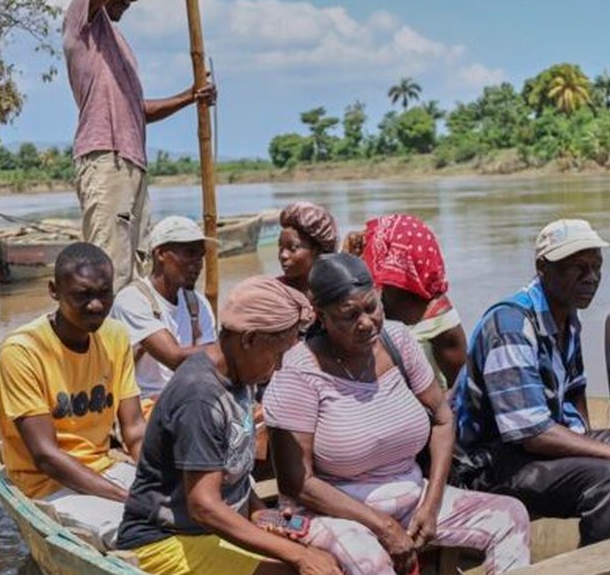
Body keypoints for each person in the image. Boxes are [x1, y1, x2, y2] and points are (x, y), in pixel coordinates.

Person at [264, 254, 530, 575]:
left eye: (371, 307)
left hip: (410, 496)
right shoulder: (299, 371)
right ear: (322, 315)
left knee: (510, 516)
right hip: (330, 513)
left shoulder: (397, 340)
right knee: (370, 562)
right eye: (349, 316)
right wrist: (383, 526)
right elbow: (298, 483)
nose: (366, 323)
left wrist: (431, 504)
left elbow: (443, 419)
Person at [452, 219, 610, 547]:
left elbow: (575, 390)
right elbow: (532, 434)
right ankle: (608, 565)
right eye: (578, 268)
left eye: (597, 267)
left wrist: (591, 443)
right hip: (491, 464)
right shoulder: (511, 325)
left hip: (541, 446)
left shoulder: (567, 316)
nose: (591, 278)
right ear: (543, 268)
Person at [116, 276, 342, 575]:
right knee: (295, 570)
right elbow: (204, 506)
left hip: (210, 529)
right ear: (248, 340)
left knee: (331, 551)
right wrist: (298, 555)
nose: (279, 366)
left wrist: (265, 516)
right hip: (164, 541)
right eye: (278, 355)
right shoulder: (200, 397)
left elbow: (234, 478)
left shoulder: (240, 375)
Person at [64, 0, 215, 292]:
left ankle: (128, 333)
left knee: (134, 273)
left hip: (133, 162)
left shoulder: (118, 45)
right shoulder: (82, 16)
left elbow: (137, 111)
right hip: (107, 158)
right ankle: (100, 333)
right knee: (108, 269)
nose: (127, 1)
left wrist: (191, 96)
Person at [0, 242, 146, 548]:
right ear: (54, 291)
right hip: (47, 485)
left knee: (186, 505)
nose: (96, 305)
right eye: (82, 295)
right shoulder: (22, 351)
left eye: (104, 293)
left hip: (105, 467)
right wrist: (127, 498)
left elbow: (133, 428)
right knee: (134, 531)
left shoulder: (116, 336)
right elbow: (46, 456)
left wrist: (153, 480)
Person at [345, 215, 468, 389]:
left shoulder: (439, 318)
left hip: (426, 403)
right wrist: (346, 262)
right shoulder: (374, 301)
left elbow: (460, 390)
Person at [109, 216, 218, 407]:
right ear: (160, 254)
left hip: (187, 399)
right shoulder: (133, 300)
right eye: (189, 254)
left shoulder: (198, 302)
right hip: (143, 404)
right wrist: (231, 349)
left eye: (200, 256)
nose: (198, 264)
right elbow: (174, 358)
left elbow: (212, 363)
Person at [277, 202, 339, 299]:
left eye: (293, 248)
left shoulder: (336, 292)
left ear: (317, 250)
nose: (283, 255)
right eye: (281, 247)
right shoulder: (275, 292)